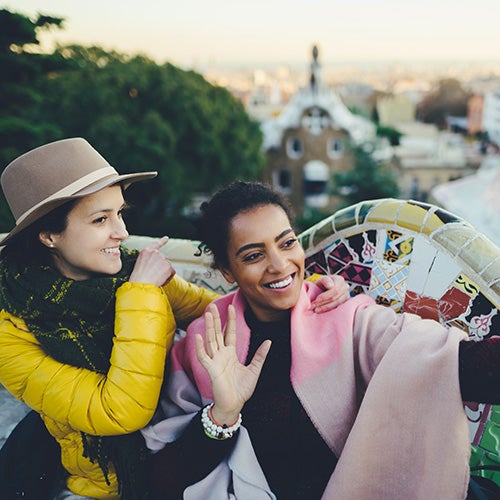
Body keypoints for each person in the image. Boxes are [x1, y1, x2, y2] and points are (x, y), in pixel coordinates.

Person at [0, 140, 349, 500]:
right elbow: (120, 411)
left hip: (176, 451)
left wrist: (306, 288)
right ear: (49, 236)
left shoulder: (131, 271)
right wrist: (141, 293)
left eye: (119, 213)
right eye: (100, 219)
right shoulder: (12, 333)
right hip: (104, 488)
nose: (121, 232)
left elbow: (226, 311)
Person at [142, 180, 500, 500]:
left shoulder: (344, 315)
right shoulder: (206, 343)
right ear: (226, 270)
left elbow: (453, 362)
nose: (280, 265)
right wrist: (222, 414)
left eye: (287, 243)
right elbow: (163, 480)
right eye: (253, 255)